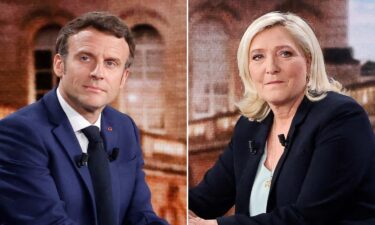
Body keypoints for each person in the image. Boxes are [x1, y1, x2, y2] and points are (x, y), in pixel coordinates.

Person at [189, 11, 375, 225]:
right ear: (247, 69)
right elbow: (205, 199)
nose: (271, 68)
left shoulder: (342, 117)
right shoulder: (249, 127)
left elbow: (309, 218)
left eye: (285, 54)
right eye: (258, 57)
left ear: (309, 61)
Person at [0, 11, 168, 225]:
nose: (98, 72)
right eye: (85, 58)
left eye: (111, 63)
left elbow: (140, 217)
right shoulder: (17, 133)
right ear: (59, 65)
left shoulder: (124, 127)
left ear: (123, 77)